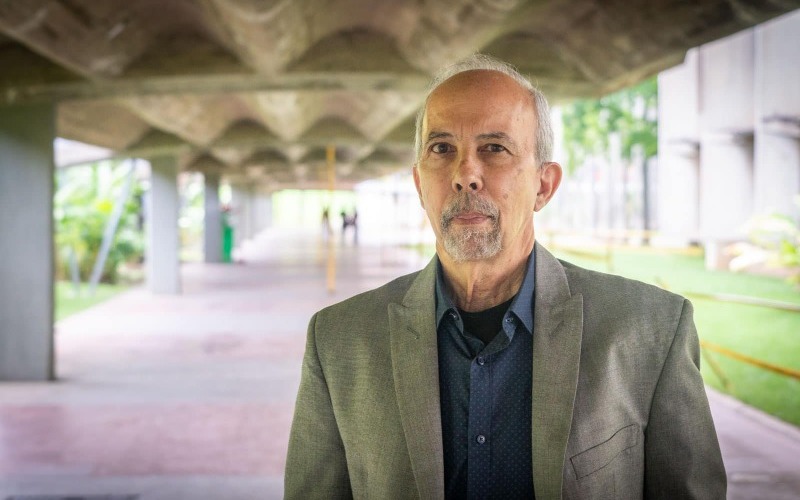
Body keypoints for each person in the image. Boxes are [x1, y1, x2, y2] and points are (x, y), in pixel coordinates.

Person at [285, 54, 726, 499]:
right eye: (442, 149)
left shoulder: (650, 330)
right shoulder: (339, 340)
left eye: (494, 148)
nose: (465, 175)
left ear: (543, 186)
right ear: (420, 184)